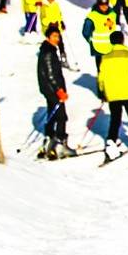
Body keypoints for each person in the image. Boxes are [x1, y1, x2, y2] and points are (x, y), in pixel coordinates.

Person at [36, 21, 73, 157]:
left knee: (52, 113)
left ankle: (50, 140)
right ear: (48, 37)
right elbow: (50, 74)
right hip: (52, 90)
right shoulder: (48, 53)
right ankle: (60, 144)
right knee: (61, 116)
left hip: (48, 89)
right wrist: (59, 90)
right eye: (54, 36)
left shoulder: (48, 50)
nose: (57, 39)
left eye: (58, 36)